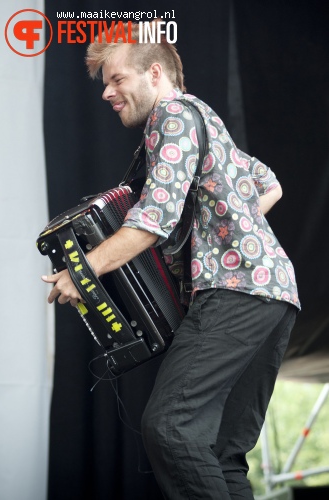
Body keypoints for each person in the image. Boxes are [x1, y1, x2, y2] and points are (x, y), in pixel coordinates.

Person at [42, 20, 300, 500]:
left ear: (155, 73)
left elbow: (153, 217)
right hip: (274, 294)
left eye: (117, 79)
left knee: (170, 428)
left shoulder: (174, 116)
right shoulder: (205, 122)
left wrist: (85, 270)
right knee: (219, 454)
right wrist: (222, 231)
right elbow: (269, 185)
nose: (107, 93)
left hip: (236, 292)